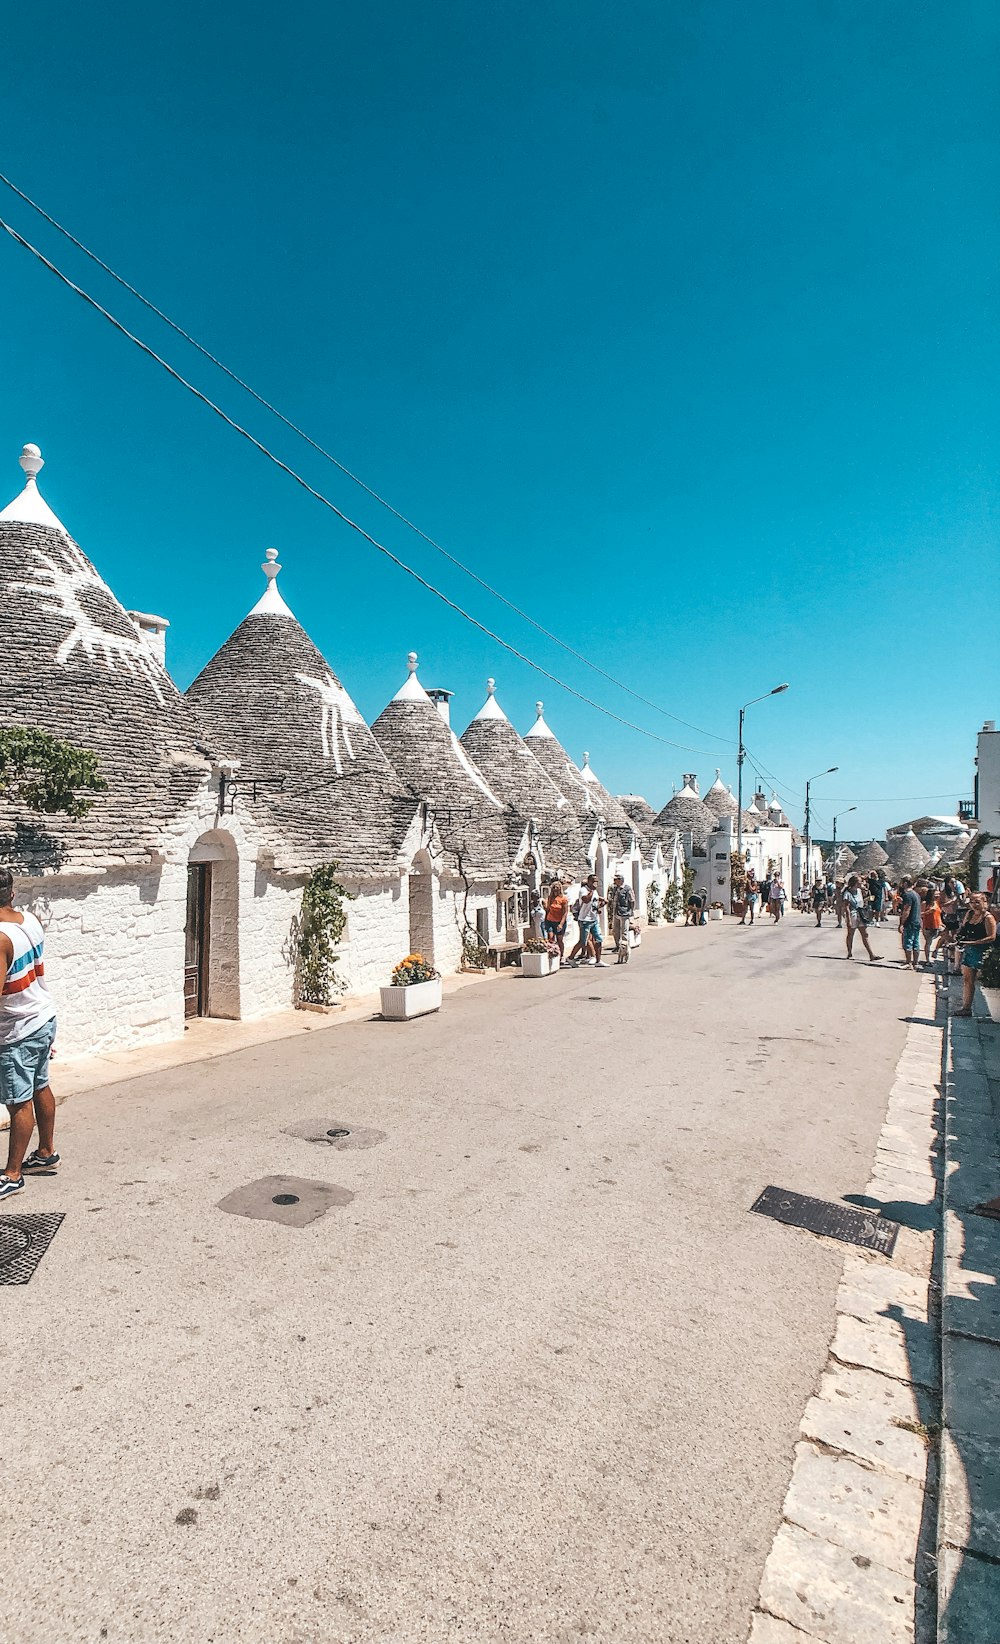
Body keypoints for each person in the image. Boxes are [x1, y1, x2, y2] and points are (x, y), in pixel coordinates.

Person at [0, 866, 59, 1200]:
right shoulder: (31, 920)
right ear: (11, 893)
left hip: (16, 1028)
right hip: (42, 1016)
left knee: (17, 1102)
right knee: (40, 1084)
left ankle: (12, 1174)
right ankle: (46, 1152)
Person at [954, 892, 997, 1016]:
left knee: (984, 979)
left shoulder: (988, 918)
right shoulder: (969, 914)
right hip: (970, 950)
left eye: (977, 902)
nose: (974, 905)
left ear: (984, 902)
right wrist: (960, 938)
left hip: (984, 951)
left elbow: (991, 937)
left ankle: (989, 1008)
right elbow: (963, 928)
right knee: (968, 979)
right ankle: (966, 1008)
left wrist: (973, 942)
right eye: (972, 902)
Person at [568, 875, 607, 967]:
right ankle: (570, 958)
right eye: (594, 881)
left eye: (597, 881)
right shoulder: (583, 890)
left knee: (598, 939)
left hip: (593, 919)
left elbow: (594, 901)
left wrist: (601, 903)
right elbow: (586, 900)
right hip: (584, 920)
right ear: (589, 881)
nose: (595, 883)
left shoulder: (594, 891)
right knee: (583, 941)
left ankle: (598, 960)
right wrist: (592, 891)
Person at [843, 874, 881, 962]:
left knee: (865, 934)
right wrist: (848, 919)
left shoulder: (859, 891)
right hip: (853, 914)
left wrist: (866, 895)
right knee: (851, 934)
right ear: (856, 883)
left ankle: (871, 955)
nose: (862, 883)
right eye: (860, 882)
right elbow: (846, 907)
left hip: (861, 914)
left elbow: (862, 900)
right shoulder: (847, 893)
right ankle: (849, 953)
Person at [897, 876, 923, 971]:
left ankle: (908, 962)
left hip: (910, 921)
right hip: (917, 921)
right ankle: (915, 962)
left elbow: (906, 910)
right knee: (916, 942)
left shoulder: (907, 895)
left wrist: (902, 923)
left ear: (905, 883)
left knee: (907, 942)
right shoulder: (916, 894)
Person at [608, 873, 635, 954]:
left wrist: (630, 910)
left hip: (624, 912)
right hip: (616, 912)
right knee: (615, 931)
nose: (614, 881)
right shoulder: (615, 888)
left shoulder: (627, 889)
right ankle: (618, 946)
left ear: (620, 880)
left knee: (624, 931)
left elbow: (632, 900)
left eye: (615, 879)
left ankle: (625, 947)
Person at [543, 880, 569, 960]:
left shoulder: (563, 899)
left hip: (559, 921)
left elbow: (565, 912)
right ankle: (551, 954)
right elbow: (548, 909)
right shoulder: (550, 898)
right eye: (554, 887)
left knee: (559, 939)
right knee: (550, 938)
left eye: (557, 888)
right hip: (550, 920)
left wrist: (561, 924)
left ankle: (561, 955)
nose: (555, 889)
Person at [920, 882, 942, 966]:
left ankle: (936, 950)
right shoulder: (925, 903)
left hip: (937, 925)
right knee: (928, 942)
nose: (936, 895)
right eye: (934, 894)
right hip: (928, 925)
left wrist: (941, 923)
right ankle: (927, 960)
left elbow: (938, 914)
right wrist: (928, 912)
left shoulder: (936, 903)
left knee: (946, 935)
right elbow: (920, 914)